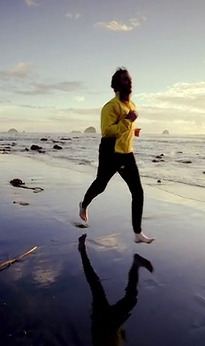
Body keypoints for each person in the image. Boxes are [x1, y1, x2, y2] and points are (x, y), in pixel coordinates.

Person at [79, 67, 154, 244]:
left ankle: (138, 233)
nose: (130, 81)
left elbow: (124, 128)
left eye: (130, 79)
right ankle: (83, 205)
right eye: (125, 79)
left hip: (127, 153)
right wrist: (128, 121)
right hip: (110, 151)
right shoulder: (110, 107)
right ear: (116, 85)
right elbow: (107, 131)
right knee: (101, 185)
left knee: (138, 192)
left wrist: (132, 130)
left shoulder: (131, 105)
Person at [77, 234, 154, 346]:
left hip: (104, 324)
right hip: (109, 324)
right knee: (99, 286)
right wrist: (120, 337)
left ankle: (82, 250)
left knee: (96, 284)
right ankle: (135, 264)